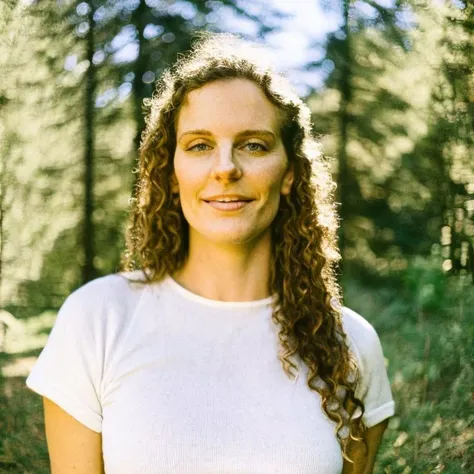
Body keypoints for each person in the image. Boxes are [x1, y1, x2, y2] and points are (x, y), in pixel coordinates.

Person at [26, 32, 395, 474]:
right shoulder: (97, 319)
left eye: (253, 145)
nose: (225, 168)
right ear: (174, 171)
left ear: (290, 173)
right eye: (200, 145)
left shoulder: (349, 345)